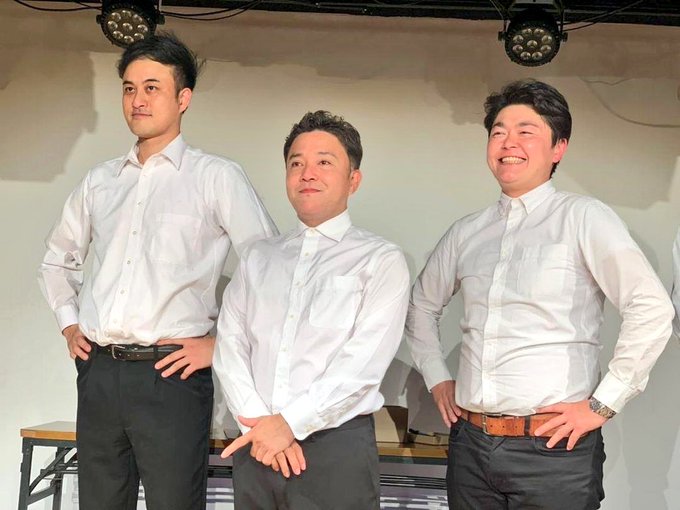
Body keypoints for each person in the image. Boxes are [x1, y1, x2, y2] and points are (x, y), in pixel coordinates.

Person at [406, 79, 673, 510]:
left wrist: (603, 404)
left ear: (558, 148)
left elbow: (651, 307)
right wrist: (437, 375)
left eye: (525, 131)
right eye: (498, 132)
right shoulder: (466, 232)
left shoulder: (583, 217)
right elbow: (421, 306)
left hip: (553, 449)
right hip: (470, 444)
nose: (508, 142)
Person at [38, 33, 277, 510]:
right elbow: (57, 259)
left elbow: (268, 269)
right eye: (129, 89)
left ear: (183, 98)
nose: (138, 100)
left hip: (170, 376)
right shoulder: (101, 181)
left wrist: (220, 345)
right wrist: (68, 323)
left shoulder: (215, 176)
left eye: (152, 88)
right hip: (100, 371)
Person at [213, 110, 410, 509]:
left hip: (333, 448)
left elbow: (361, 366)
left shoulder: (380, 260)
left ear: (353, 180)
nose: (307, 174)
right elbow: (230, 345)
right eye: (296, 163)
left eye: (324, 162)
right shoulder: (259, 258)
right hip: (256, 443)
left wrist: (288, 424)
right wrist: (261, 424)